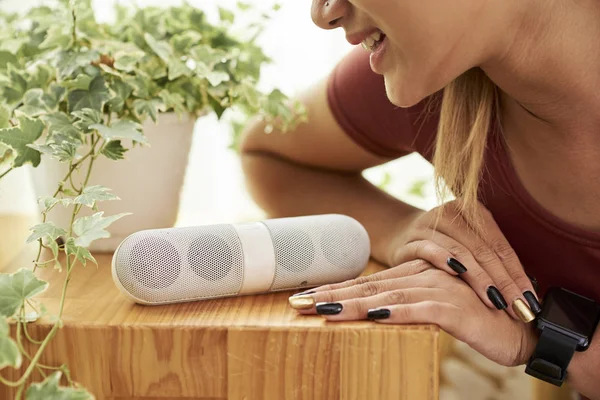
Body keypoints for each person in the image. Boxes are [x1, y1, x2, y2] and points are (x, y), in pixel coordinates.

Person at [240, 0, 600, 398]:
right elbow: (269, 156)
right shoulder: (439, 78)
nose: (322, 14)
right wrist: (399, 230)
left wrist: (550, 346)